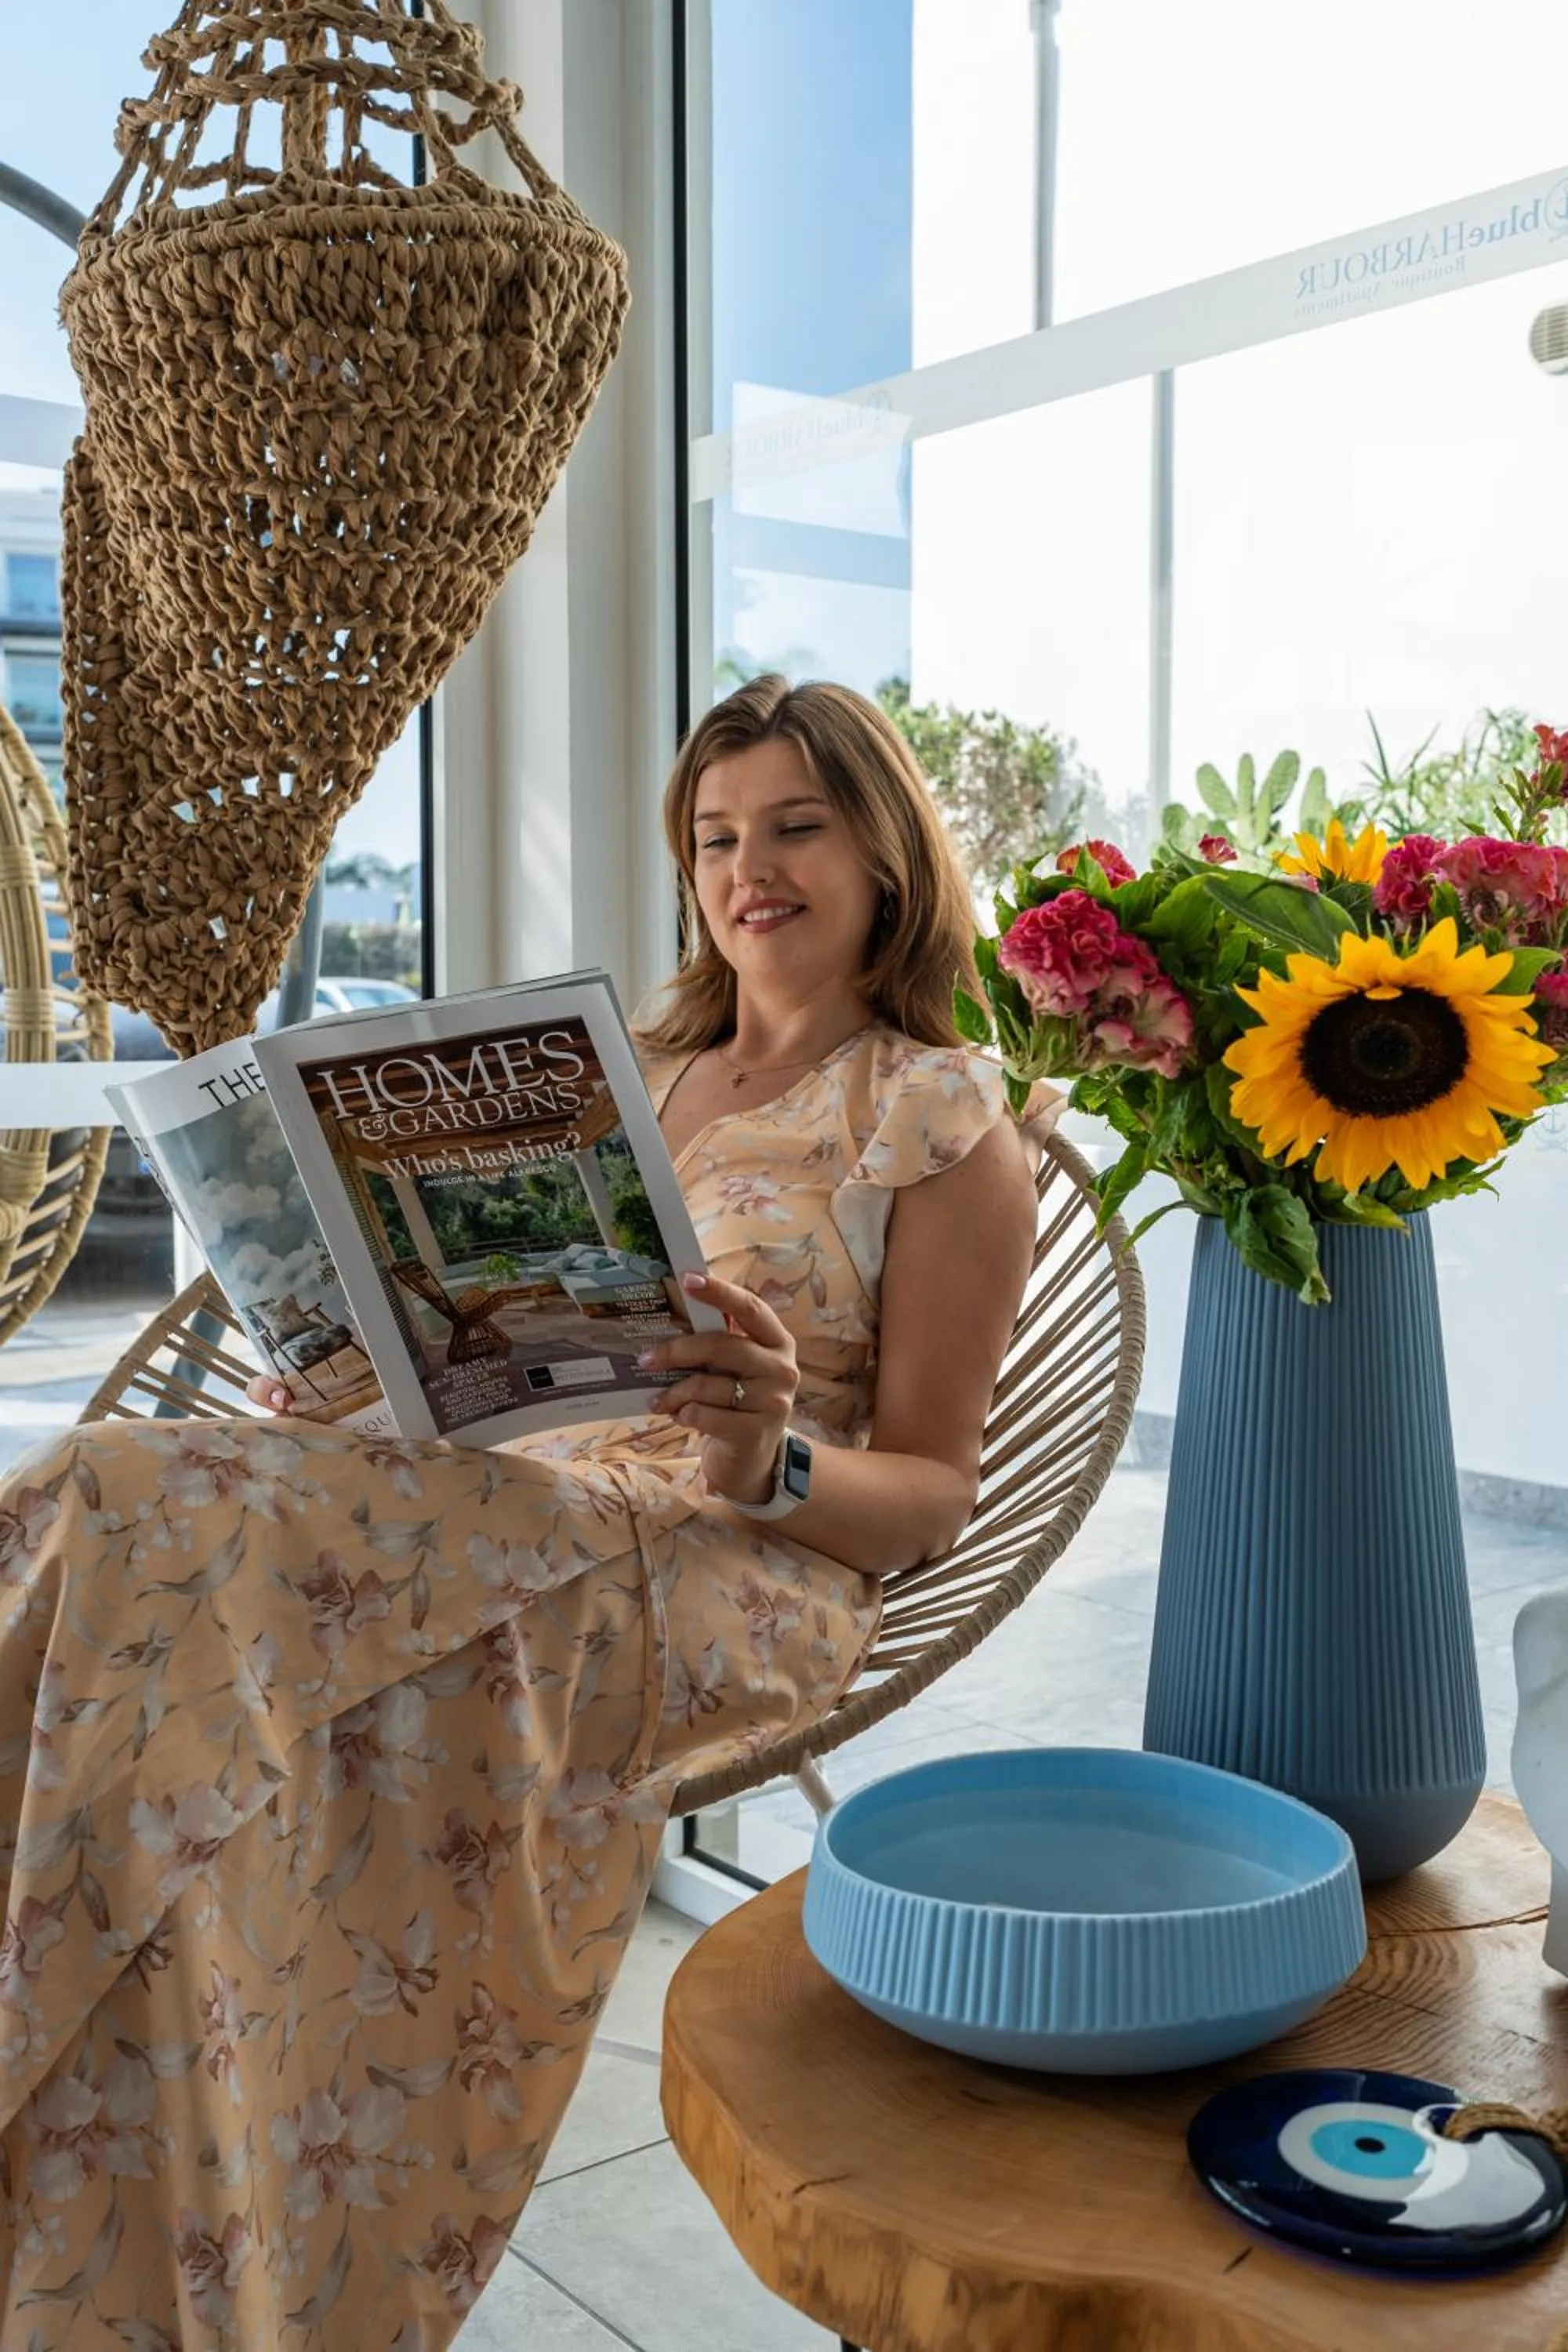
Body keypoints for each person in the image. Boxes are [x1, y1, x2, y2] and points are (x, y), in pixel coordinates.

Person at [0, 675, 1055, 2347]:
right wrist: (358, 1375)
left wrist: (764, 1446)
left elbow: (928, 1491)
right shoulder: (636, 1064)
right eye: (713, 837)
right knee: (121, 1532)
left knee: (121, 1489)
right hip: (503, 1493)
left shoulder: (929, 1115)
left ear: (886, 849)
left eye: (794, 825)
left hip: (725, 1555)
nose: (745, 869)